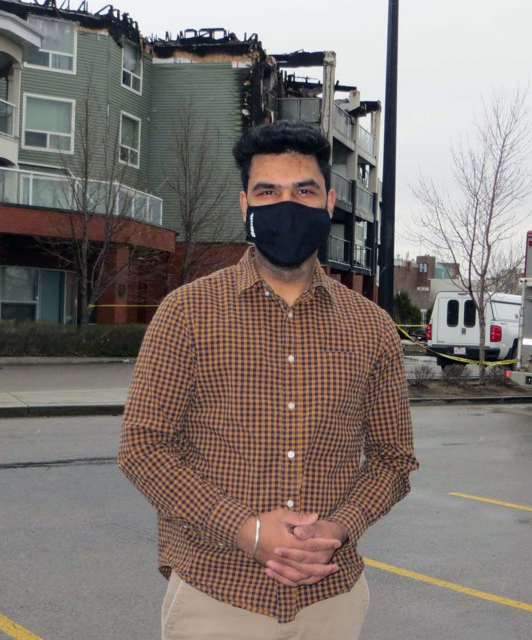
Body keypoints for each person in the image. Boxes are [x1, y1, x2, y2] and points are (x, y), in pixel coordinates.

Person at [118, 119, 418, 640]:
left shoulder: (372, 327)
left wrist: (338, 528)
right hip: (216, 598)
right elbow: (143, 448)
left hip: (333, 601)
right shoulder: (186, 313)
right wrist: (246, 529)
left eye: (303, 191)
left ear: (328, 204)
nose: (287, 206)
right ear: (245, 205)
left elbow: (394, 460)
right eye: (268, 192)